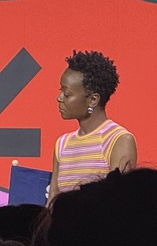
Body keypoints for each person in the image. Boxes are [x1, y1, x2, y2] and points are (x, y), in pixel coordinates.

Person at [47, 50, 136, 205]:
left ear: (93, 100)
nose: (59, 98)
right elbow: (53, 199)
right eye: (61, 91)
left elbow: (119, 203)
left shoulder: (119, 140)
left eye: (66, 94)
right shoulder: (62, 144)